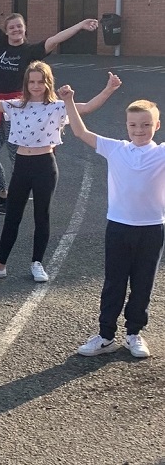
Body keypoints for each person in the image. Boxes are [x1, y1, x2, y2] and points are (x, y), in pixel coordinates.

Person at [0, 62, 121, 283]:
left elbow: (88, 107)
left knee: (41, 216)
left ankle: (37, 263)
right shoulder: (15, 105)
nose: (36, 86)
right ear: (26, 84)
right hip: (22, 166)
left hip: (45, 165)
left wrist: (109, 88)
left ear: (48, 83)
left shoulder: (57, 107)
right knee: (12, 216)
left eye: (40, 81)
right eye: (31, 82)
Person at [0, 0, 100, 214]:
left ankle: (16, 200)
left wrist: (80, 25)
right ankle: (2, 192)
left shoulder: (30, 51)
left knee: (16, 155)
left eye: (19, 26)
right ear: (7, 30)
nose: (15, 30)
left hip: (18, 108)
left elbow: (55, 39)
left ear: (24, 29)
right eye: (11, 27)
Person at [63, 91, 165, 359]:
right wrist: (70, 102)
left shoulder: (162, 153)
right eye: (133, 125)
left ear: (157, 125)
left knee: (143, 283)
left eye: (146, 125)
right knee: (114, 282)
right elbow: (80, 132)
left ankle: (134, 334)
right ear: (126, 125)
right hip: (118, 227)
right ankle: (106, 335)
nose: (139, 130)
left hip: (152, 228)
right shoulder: (116, 148)